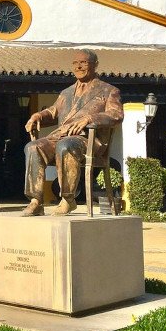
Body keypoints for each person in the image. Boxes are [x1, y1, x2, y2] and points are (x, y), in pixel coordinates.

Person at [22, 49, 123, 216]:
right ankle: (36, 201)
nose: (79, 66)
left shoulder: (108, 90)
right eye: (75, 63)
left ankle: (68, 199)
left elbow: (116, 115)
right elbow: (54, 112)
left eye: (83, 62)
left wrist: (90, 119)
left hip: (89, 140)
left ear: (95, 65)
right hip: (62, 136)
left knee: (65, 145)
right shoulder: (66, 92)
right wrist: (38, 116)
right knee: (33, 147)